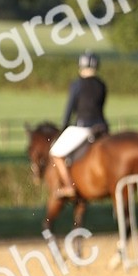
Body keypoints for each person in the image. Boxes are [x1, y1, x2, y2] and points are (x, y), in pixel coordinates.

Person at [49, 52, 108, 197]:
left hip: (83, 127)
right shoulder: (102, 85)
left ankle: (69, 185)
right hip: (102, 127)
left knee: (55, 153)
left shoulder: (77, 84)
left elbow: (69, 109)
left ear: (81, 66)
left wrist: (63, 128)